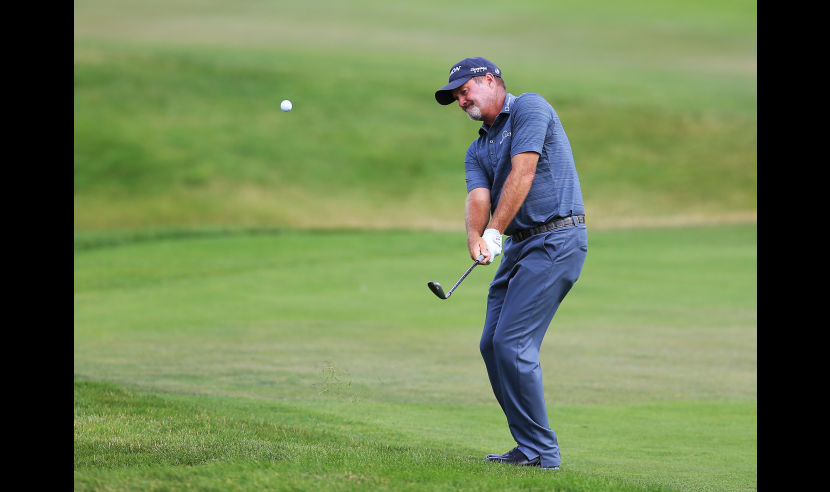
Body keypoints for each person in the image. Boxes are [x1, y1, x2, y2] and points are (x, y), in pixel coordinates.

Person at [434, 57, 588, 470]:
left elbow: (524, 170)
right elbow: (478, 197)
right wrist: (475, 237)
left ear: (490, 79)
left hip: (557, 237)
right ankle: (528, 446)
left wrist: (495, 232)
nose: (461, 100)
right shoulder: (478, 148)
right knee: (491, 345)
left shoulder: (530, 108)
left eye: (465, 90)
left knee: (512, 343)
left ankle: (543, 454)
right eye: (455, 98)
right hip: (521, 245)